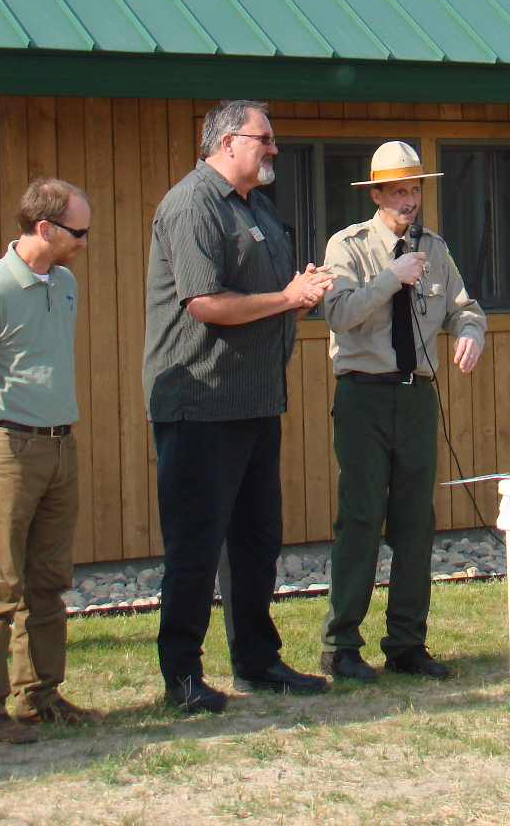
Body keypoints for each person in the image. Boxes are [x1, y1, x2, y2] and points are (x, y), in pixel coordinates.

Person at [143, 99, 335, 713]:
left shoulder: (257, 207)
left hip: (254, 400)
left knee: (257, 540)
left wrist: (302, 290)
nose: (274, 148)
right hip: (201, 401)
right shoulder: (192, 205)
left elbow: (272, 295)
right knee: (196, 547)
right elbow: (204, 303)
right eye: (264, 138)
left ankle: (257, 661)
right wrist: (286, 298)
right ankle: (182, 677)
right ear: (228, 143)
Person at [318, 142, 486, 683]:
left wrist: (470, 333)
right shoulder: (348, 246)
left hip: (416, 397)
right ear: (376, 195)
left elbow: (464, 308)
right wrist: (392, 276)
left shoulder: (434, 248)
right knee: (362, 517)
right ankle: (341, 645)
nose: (409, 201)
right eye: (398, 192)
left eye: (415, 190)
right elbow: (338, 313)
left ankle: (407, 643)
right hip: (363, 395)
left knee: (416, 521)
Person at [0, 178, 101, 744]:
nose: (84, 242)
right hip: (5, 451)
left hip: (60, 448)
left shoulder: (64, 282)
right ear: (45, 228)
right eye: (78, 232)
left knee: (48, 581)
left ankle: (40, 696)